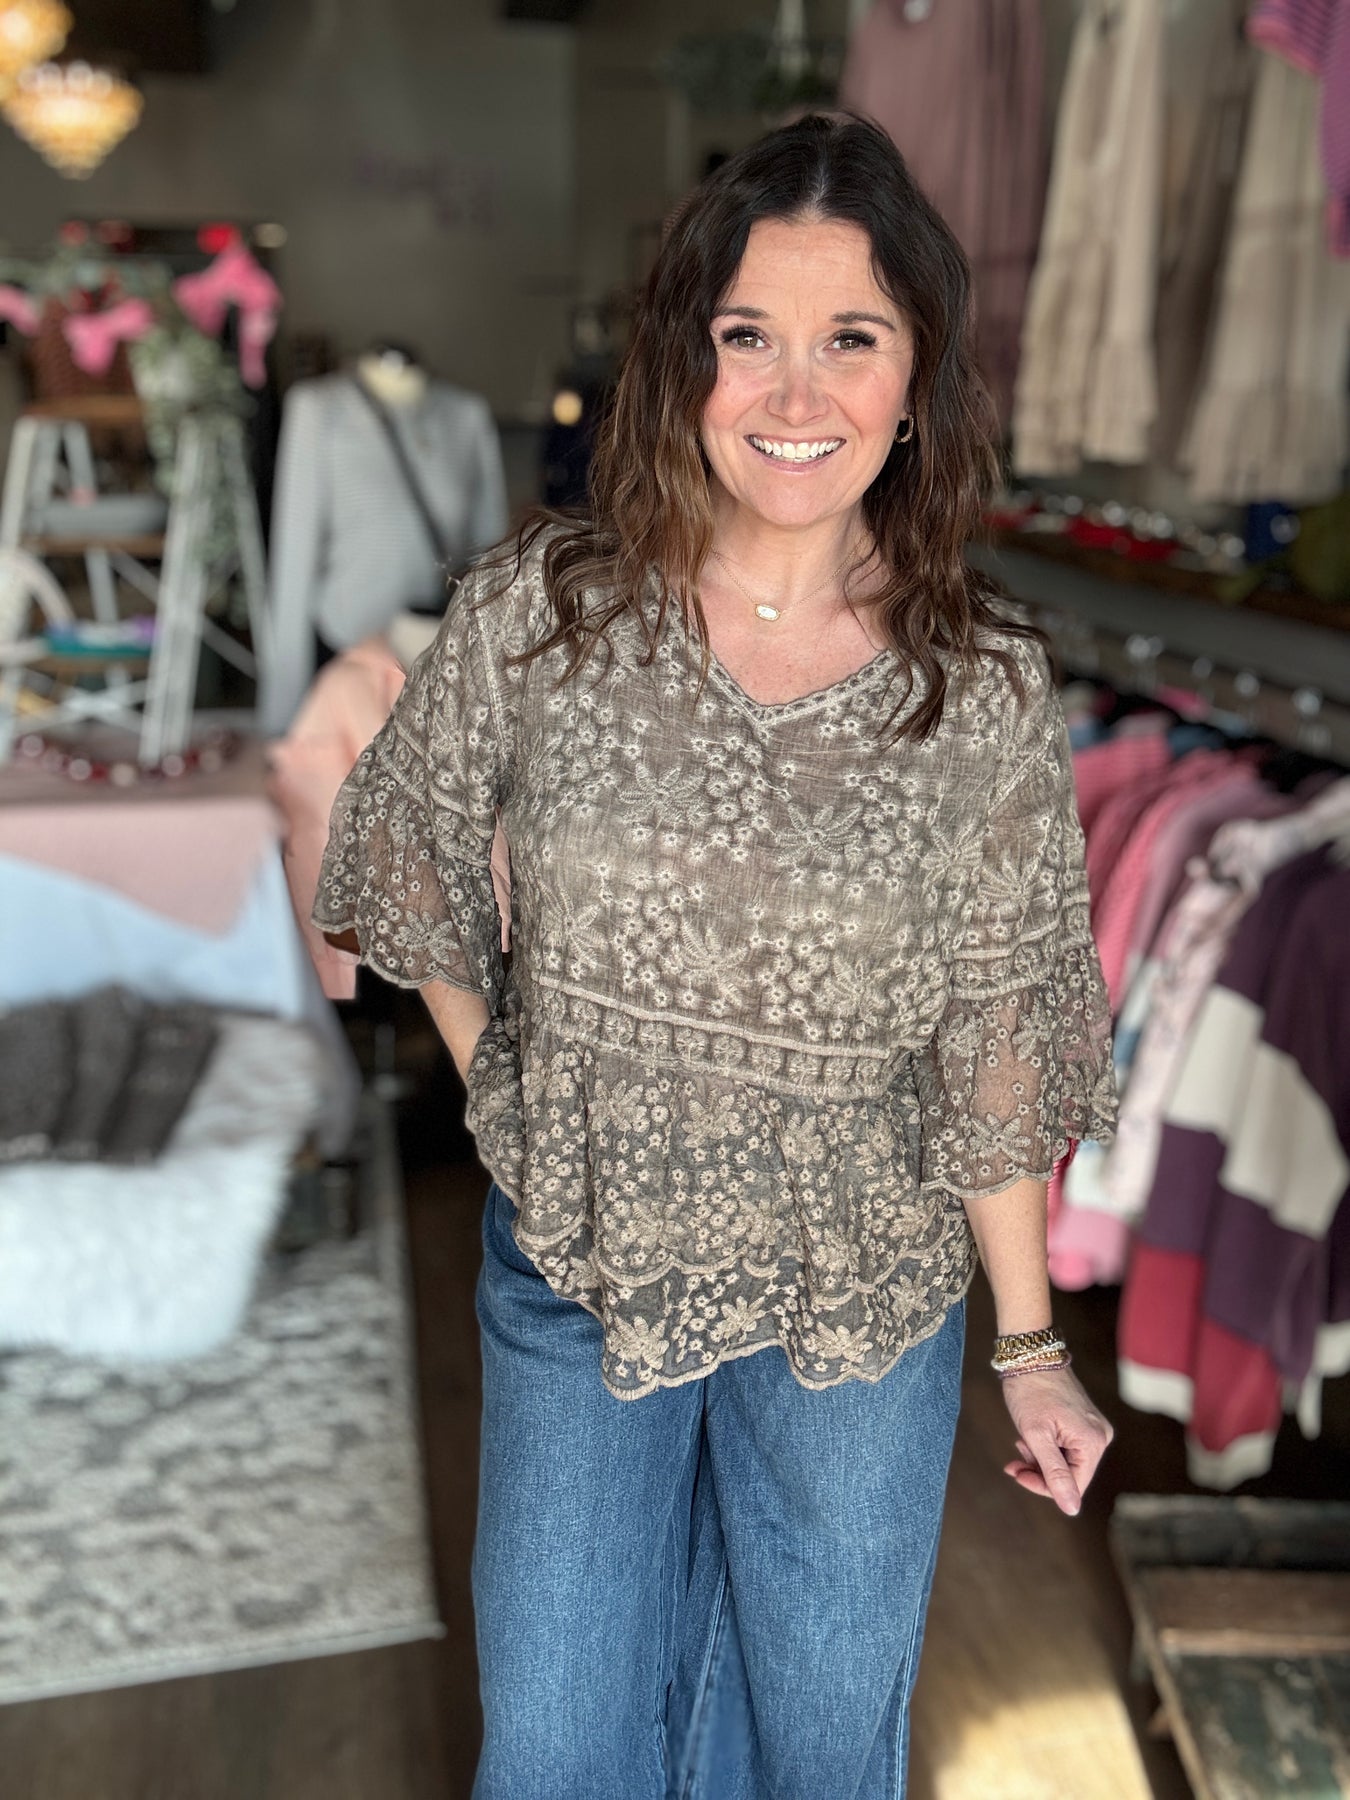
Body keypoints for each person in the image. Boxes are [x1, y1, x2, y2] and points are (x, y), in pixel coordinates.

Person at [315, 112, 1118, 1800]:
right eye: (747, 336)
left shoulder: (977, 689)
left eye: (850, 340)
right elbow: (404, 845)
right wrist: (503, 1083)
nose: (793, 393)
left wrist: (1031, 1344)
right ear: (685, 358)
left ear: (917, 376)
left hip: (860, 1298)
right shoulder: (544, 613)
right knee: (555, 1746)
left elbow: (993, 1030)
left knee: (822, 1746)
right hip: (579, 1257)